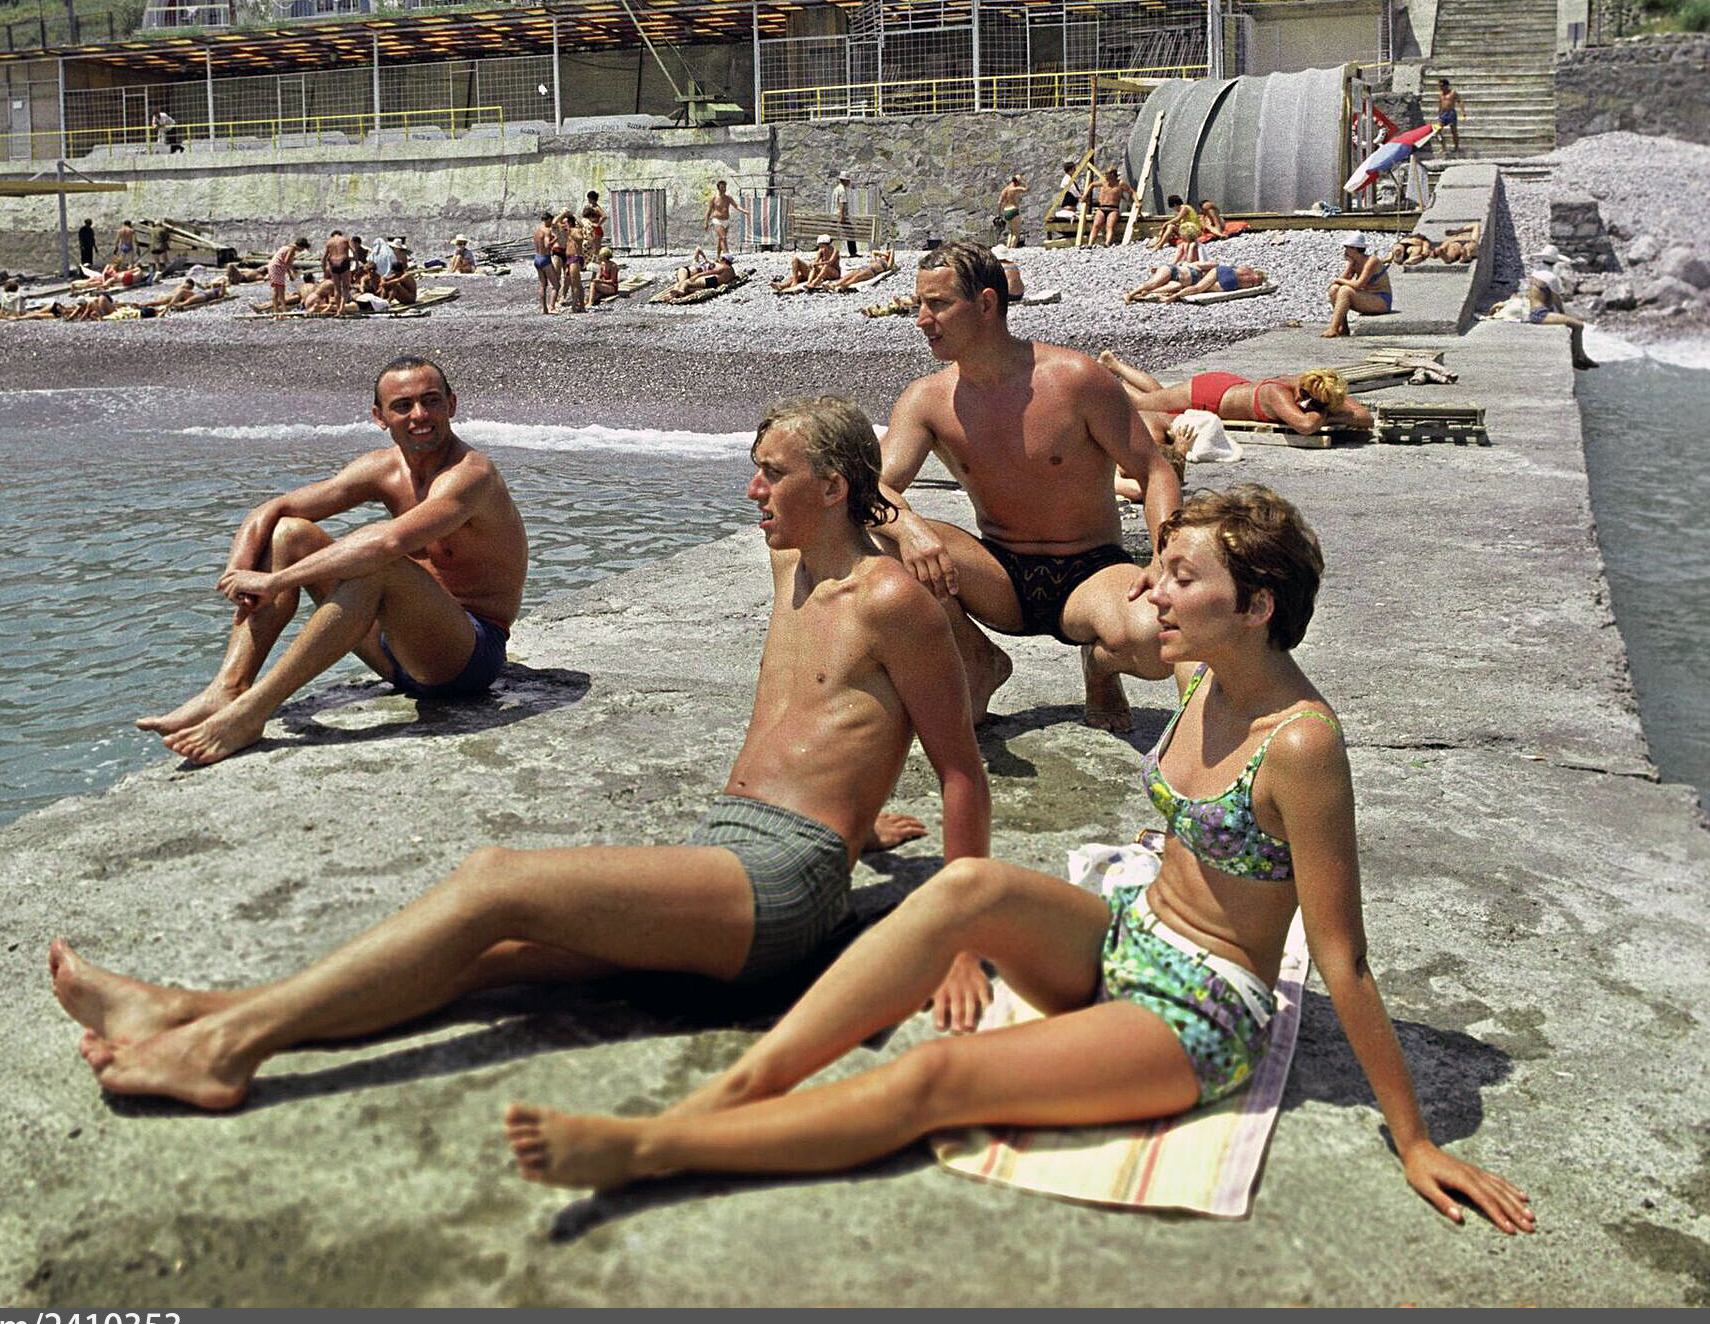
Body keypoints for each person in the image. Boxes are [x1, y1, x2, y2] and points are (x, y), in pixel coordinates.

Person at [503, 486, 1537, 1238]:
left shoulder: (1301, 744)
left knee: (939, 1075)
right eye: (1159, 568)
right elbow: (1092, 634)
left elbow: (1343, 958)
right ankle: (737, 1090)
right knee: (967, 884)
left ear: (1259, 604)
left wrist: (1414, 1138)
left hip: (1199, 1007)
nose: (1152, 590)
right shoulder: (1201, 675)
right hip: (1128, 933)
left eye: (1183, 578)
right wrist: (917, 534)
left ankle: (657, 1148)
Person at [54, 395, 994, 1109]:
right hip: (733, 848)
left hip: (783, 889)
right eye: (754, 469)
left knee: (494, 882)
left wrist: (953, 939)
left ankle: (223, 1054)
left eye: (771, 474)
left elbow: (960, 770)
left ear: (830, 488)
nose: (752, 491)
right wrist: (856, 815)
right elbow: (828, 722)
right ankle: (187, 1011)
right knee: (487, 954)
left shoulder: (892, 603)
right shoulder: (793, 562)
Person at [133, 360, 527, 766]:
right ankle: (230, 686)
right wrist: (238, 571)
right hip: (395, 653)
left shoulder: (471, 475)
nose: (419, 415)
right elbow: (274, 509)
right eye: (403, 406)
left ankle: (252, 712)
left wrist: (275, 582)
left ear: (452, 404)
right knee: (289, 533)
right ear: (380, 417)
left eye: (431, 401)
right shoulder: (383, 468)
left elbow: (388, 542)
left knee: (380, 563)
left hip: (466, 657)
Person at [874, 243, 1179, 733]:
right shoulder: (927, 399)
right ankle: (978, 660)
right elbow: (872, 488)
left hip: (1090, 571)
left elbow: (1154, 472)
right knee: (877, 535)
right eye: (919, 305)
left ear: (986, 304)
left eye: (938, 305)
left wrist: (1165, 561)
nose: (921, 320)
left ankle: (1101, 665)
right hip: (997, 575)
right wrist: (908, 529)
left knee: (1159, 640)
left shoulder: (1076, 379)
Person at [1100, 351, 1376, 437]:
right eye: (1306, 396)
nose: (1304, 402)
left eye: (1314, 401)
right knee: (1143, 403)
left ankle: (1114, 365)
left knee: (1159, 396)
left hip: (1229, 388)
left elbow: (1366, 417)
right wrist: (1328, 413)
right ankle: (1104, 377)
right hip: (1210, 395)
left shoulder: (1313, 388)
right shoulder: (1277, 393)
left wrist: (1327, 409)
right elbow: (1306, 425)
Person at [1325, 231, 1393, 338]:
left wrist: (1338, 280)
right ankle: (1343, 327)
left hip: (1381, 300)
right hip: (1367, 297)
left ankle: (1333, 328)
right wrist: (1350, 265)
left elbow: (1358, 284)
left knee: (1345, 290)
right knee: (1334, 289)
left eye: (1347, 248)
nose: (1345, 251)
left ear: (1355, 249)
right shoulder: (1354, 261)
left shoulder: (1372, 261)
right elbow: (1344, 279)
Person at [773, 237, 840, 294]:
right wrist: (812, 264)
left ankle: (814, 282)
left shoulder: (835, 250)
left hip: (833, 273)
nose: (819, 247)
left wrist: (817, 264)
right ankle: (783, 285)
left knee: (825, 266)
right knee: (796, 263)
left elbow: (830, 262)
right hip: (821, 271)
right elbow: (816, 261)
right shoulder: (821, 251)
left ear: (826, 244)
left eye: (821, 245)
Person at [1091, 167, 1134, 246]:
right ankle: (1090, 243)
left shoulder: (1120, 184)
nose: (1105, 175)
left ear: (1112, 174)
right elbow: (1092, 185)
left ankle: (1107, 243)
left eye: (1107, 174)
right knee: (1096, 225)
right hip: (1102, 208)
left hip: (1113, 209)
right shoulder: (1104, 182)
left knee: (1109, 226)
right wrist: (1085, 195)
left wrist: (1137, 202)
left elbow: (1131, 192)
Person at [264, 236, 309, 313]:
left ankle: (276, 311)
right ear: (301, 246)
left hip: (275, 267)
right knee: (281, 290)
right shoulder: (292, 249)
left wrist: (290, 273)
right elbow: (287, 261)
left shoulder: (288, 247)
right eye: (303, 248)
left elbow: (285, 262)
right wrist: (293, 271)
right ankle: (284, 311)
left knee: (276, 290)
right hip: (277, 268)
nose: (302, 251)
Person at [706, 179, 747, 257]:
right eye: (722, 187)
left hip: (726, 220)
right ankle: (727, 255)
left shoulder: (728, 197)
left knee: (720, 239)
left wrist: (743, 211)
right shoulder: (714, 198)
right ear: (718, 188)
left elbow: (736, 206)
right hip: (717, 220)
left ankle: (717, 256)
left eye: (725, 187)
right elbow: (709, 211)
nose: (724, 189)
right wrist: (706, 222)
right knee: (723, 237)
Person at [828, 248, 898, 292]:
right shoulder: (876, 260)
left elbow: (892, 250)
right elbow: (873, 252)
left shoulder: (887, 264)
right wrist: (883, 253)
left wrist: (887, 253)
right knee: (848, 275)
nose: (883, 256)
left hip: (872, 271)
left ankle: (844, 286)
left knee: (856, 277)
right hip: (864, 267)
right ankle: (834, 285)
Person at [558, 213, 588, 312]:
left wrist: (574, 217)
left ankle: (575, 306)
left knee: (575, 283)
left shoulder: (575, 230)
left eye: (565, 223)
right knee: (576, 283)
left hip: (575, 258)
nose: (563, 225)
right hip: (569, 258)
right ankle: (582, 306)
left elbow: (580, 238)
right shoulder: (567, 231)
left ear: (570, 223)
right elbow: (555, 223)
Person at [321, 230, 356, 311]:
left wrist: (324, 269)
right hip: (343, 261)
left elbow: (324, 258)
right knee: (345, 287)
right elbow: (354, 251)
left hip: (333, 263)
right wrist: (356, 262)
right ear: (340, 234)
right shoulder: (345, 239)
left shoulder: (329, 242)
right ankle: (342, 308)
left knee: (337, 288)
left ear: (332, 235)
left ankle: (338, 309)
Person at [532, 212, 560, 315]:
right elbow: (547, 245)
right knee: (556, 285)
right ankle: (552, 307)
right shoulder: (547, 230)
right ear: (548, 219)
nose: (551, 223)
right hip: (545, 259)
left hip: (537, 258)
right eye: (551, 221)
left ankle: (544, 309)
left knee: (543, 285)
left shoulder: (536, 230)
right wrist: (555, 239)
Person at [993, 173, 1028, 248]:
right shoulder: (1015, 189)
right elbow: (1027, 189)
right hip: (1013, 210)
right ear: (1016, 182)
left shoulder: (1005, 190)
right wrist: (1023, 182)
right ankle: (1012, 248)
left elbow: (999, 202)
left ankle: (1008, 247)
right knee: (1016, 232)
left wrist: (999, 215)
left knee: (1011, 231)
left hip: (1006, 211)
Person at [1434, 78, 1464, 155]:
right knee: (1438, 131)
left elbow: (1460, 101)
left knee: (1453, 131)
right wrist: (1439, 113)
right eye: (1439, 86)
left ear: (1446, 85)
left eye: (1442, 86)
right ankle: (1443, 147)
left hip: (1451, 113)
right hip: (1443, 114)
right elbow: (1440, 104)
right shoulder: (1440, 94)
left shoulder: (1453, 93)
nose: (1440, 87)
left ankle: (1456, 147)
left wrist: (1462, 112)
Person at [832, 174, 858, 257]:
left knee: (833, 233)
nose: (849, 182)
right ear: (845, 180)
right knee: (850, 233)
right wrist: (842, 216)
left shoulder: (836, 189)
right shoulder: (842, 190)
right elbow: (842, 203)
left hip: (834, 215)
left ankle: (822, 247)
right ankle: (853, 252)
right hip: (841, 215)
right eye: (848, 180)